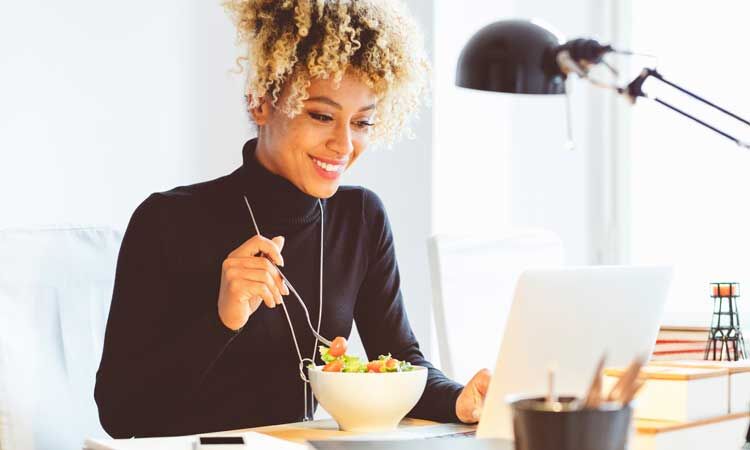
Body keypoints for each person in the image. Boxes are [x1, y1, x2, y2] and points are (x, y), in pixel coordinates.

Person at [94, 0, 490, 438]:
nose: (343, 145)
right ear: (260, 101)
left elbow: (400, 360)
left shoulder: (360, 218)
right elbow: (120, 414)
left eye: (362, 123)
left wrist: (459, 400)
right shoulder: (167, 220)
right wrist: (221, 320)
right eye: (321, 116)